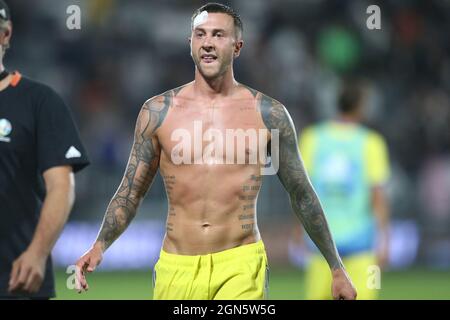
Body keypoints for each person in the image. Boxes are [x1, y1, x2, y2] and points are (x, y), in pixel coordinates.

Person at [75, 2, 356, 300]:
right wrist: (100, 244)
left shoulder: (269, 114)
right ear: (190, 44)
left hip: (241, 264)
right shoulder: (157, 112)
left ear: (237, 46)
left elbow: (301, 192)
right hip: (176, 267)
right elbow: (130, 191)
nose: (208, 42)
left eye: (219, 35)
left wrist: (336, 267)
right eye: (200, 34)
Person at [0, 0, 90, 299]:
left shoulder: (39, 102)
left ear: (6, 34)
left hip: (15, 278)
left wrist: (37, 253)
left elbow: (61, 187)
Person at [296, 81, 390, 299]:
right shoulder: (372, 143)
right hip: (363, 247)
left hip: (321, 246)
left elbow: (302, 192)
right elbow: (378, 196)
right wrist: (385, 239)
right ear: (361, 107)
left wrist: (298, 230)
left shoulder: (313, 138)